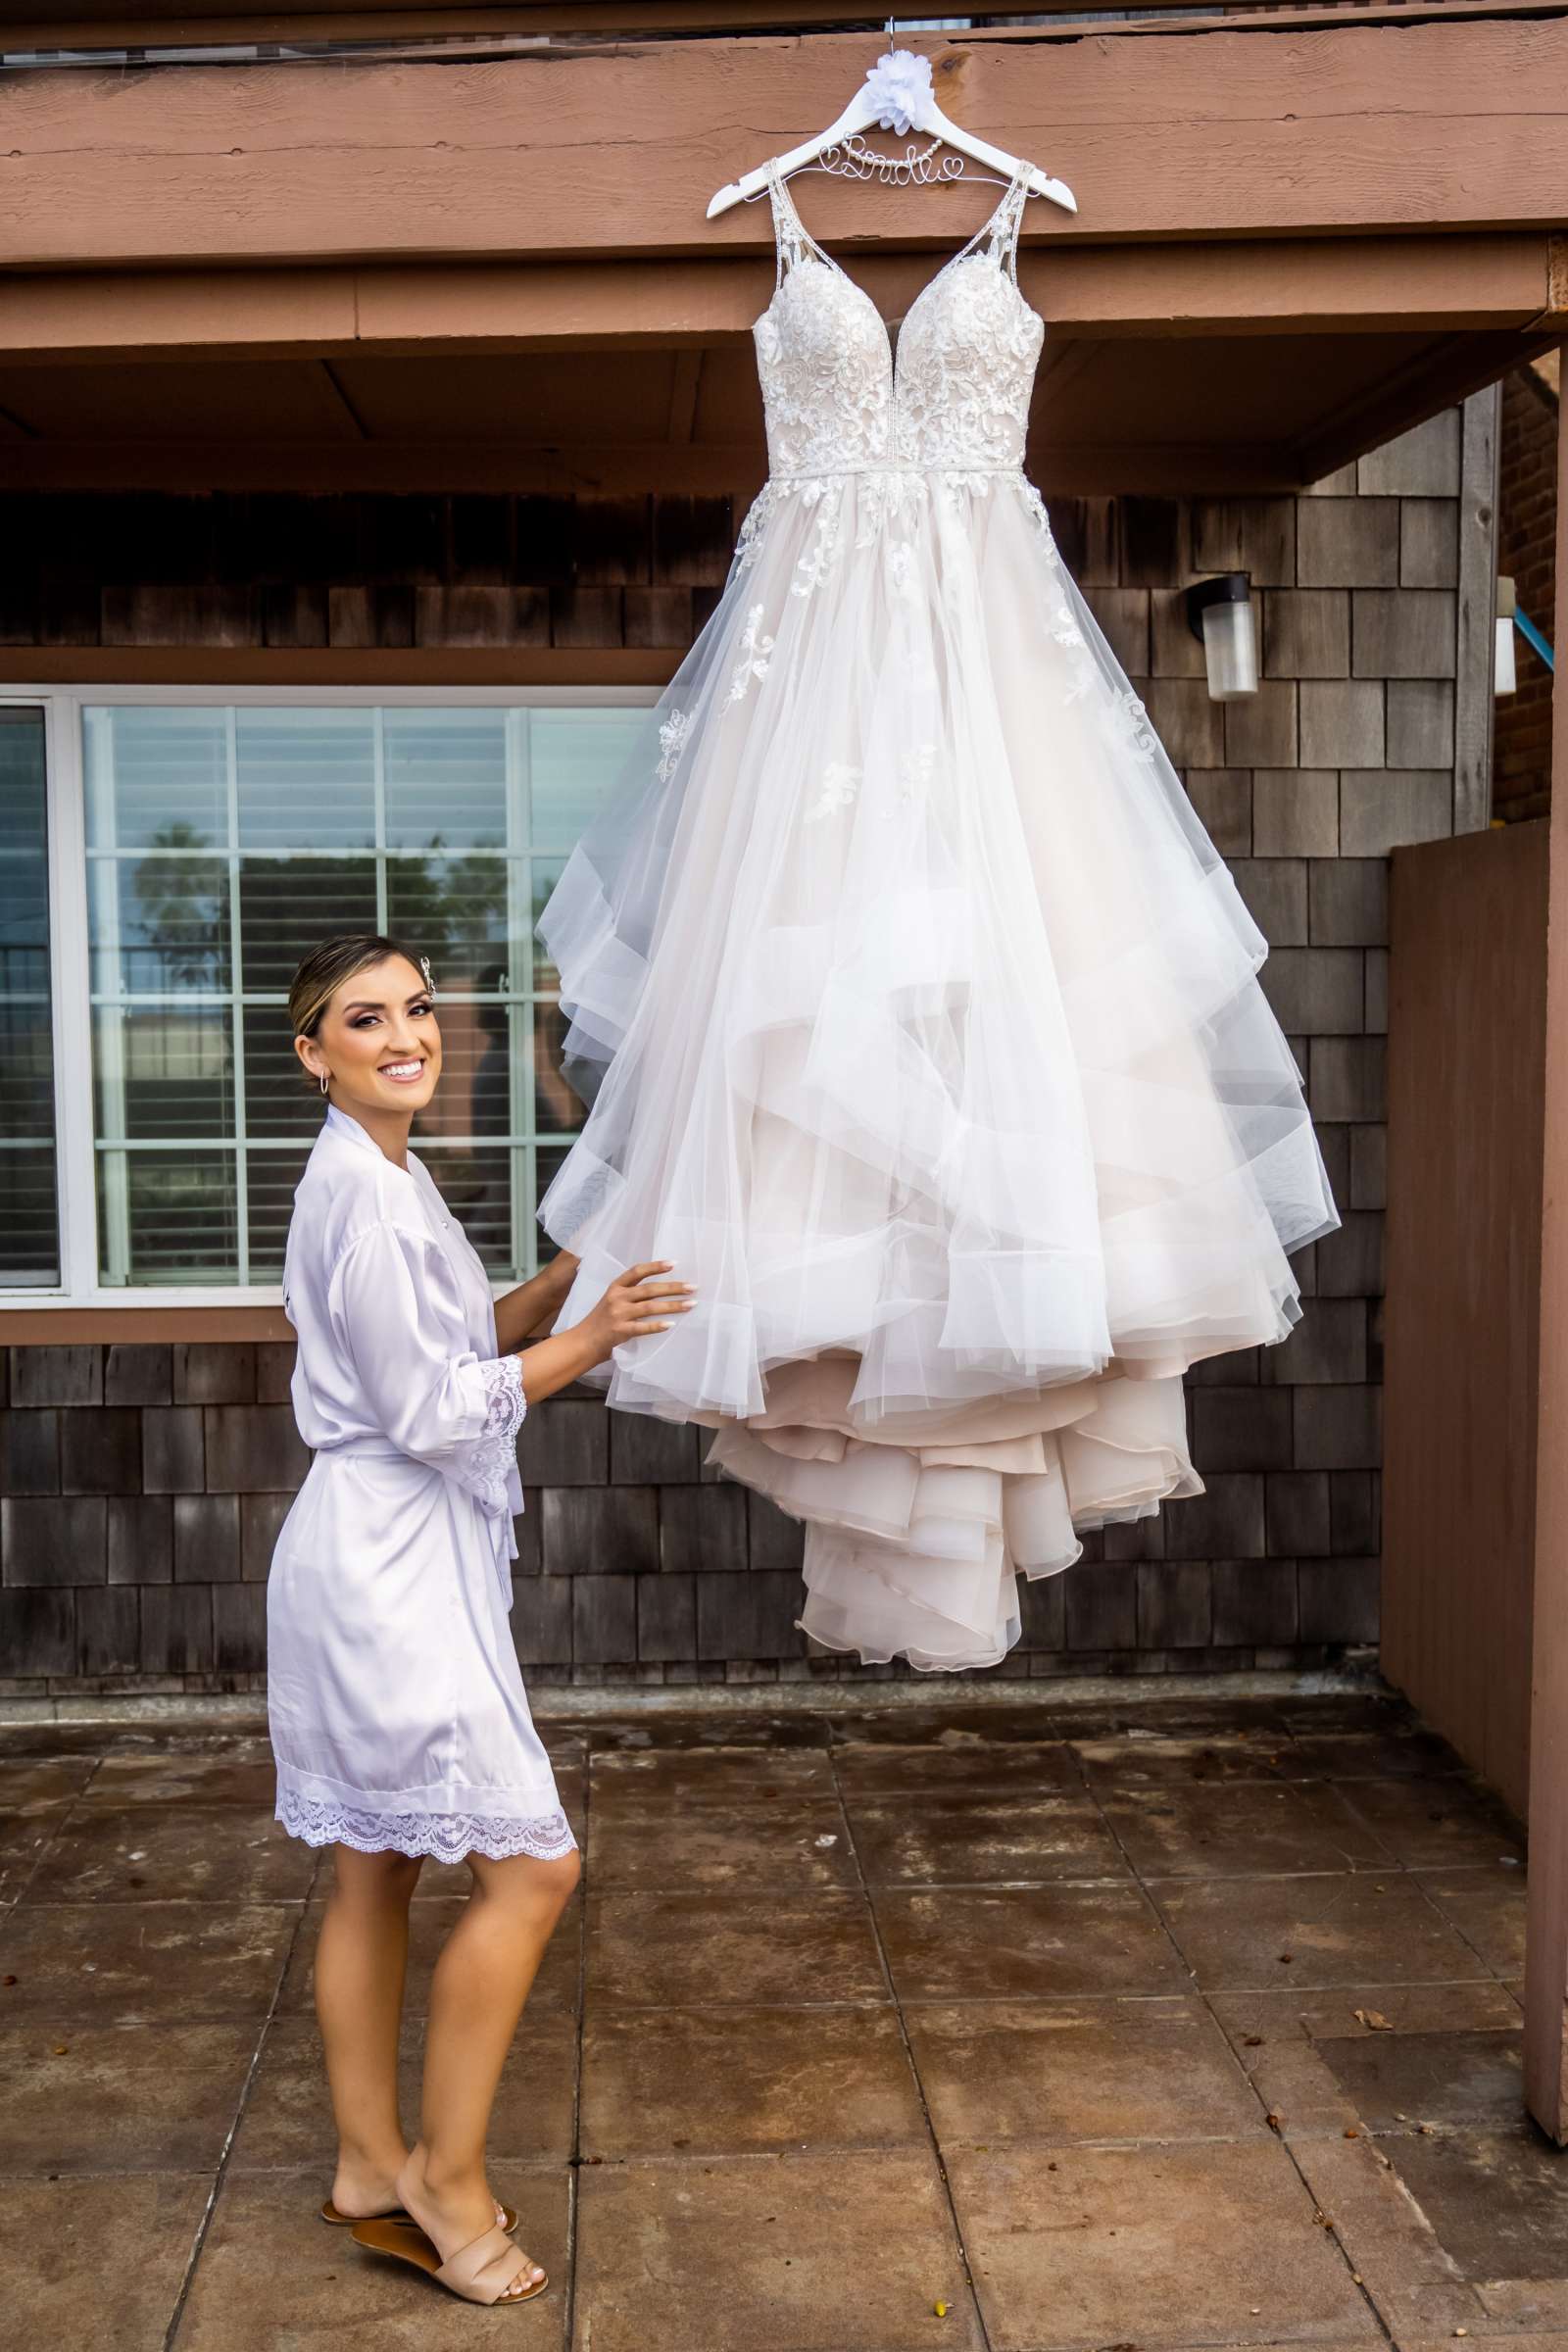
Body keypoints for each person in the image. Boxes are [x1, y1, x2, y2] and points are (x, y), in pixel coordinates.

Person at [266, 931, 691, 2310]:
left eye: (420, 1009)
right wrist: (600, 1337)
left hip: (379, 1550)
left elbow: (451, 1351)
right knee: (534, 1869)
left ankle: (364, 2163)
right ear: (312, 1054)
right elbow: (438, 1409)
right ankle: (442, 2182)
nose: (407, 1033)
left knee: (372, 1867)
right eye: (365, 1017)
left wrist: (565, 1284)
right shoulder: (367, 1201)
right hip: (385, 1571)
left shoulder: (388, 1174)